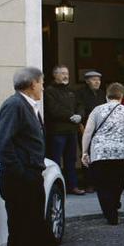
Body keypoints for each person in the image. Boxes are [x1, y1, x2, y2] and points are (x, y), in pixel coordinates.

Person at [0, 67, 60, 246]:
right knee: (21, 234)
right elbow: (3, 146)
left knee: (34, 232)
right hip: (20, 182)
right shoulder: (14, 105)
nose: (43, 86)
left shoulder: (27, 106)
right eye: (41, 82)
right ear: (32, 83)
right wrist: (23, 173)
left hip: (32, 178)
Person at [81, 83, 124, 225]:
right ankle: (114, 204)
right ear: (122, 96)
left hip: (100, 153)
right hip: (122, 153)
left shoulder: (97, 110)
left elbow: (88, 132)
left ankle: (110, 214)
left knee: (102, 185)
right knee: (118, 183)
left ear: (107, 96)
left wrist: (84, 151)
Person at [44, 65, 85, 195]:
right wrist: (70, 116)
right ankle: (54, 188)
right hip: (57, 132)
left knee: (71, 160)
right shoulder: (49, 91)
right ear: (54, 75)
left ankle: (72, 186)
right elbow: (53, 109)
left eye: (66, 73)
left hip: (71, 131)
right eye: (62, 73)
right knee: (55, 160)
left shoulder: (71, 90)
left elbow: (80, 105)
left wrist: (79, 115)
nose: (65, 76)